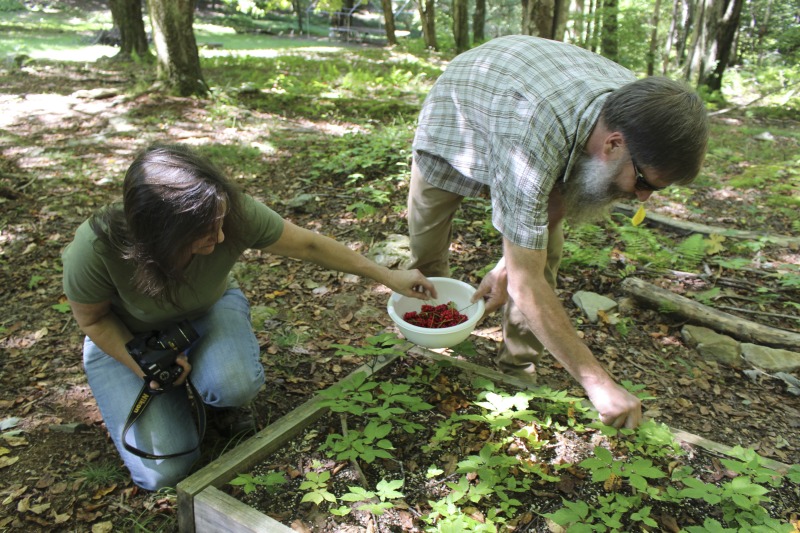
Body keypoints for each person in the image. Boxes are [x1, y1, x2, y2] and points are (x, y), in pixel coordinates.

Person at [62, 143, 437, 491]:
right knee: (164, 472)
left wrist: (388, 276)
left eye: (221, 223)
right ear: (160, 235)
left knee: (234, 383)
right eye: (203, 234)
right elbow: (93, 321)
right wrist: (144, 365)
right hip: (127, 336)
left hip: (207, 310)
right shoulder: (97, 247)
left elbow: (308, 244)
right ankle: (177, 399)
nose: (222, 238)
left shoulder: (225, 214)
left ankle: (217, 401)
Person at [407, 35, 709, 430]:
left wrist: (508, 264)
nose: (643, 198)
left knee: (541, 255)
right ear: (614, 145)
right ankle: (428, 339)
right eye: (644, 182)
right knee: (428, 241)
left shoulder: (639, 114)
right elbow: (526, 282)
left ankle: (517, 371)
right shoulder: (532, 134)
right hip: (458, 117)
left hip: (525, 112)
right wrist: (597, 382)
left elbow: (560, 196)